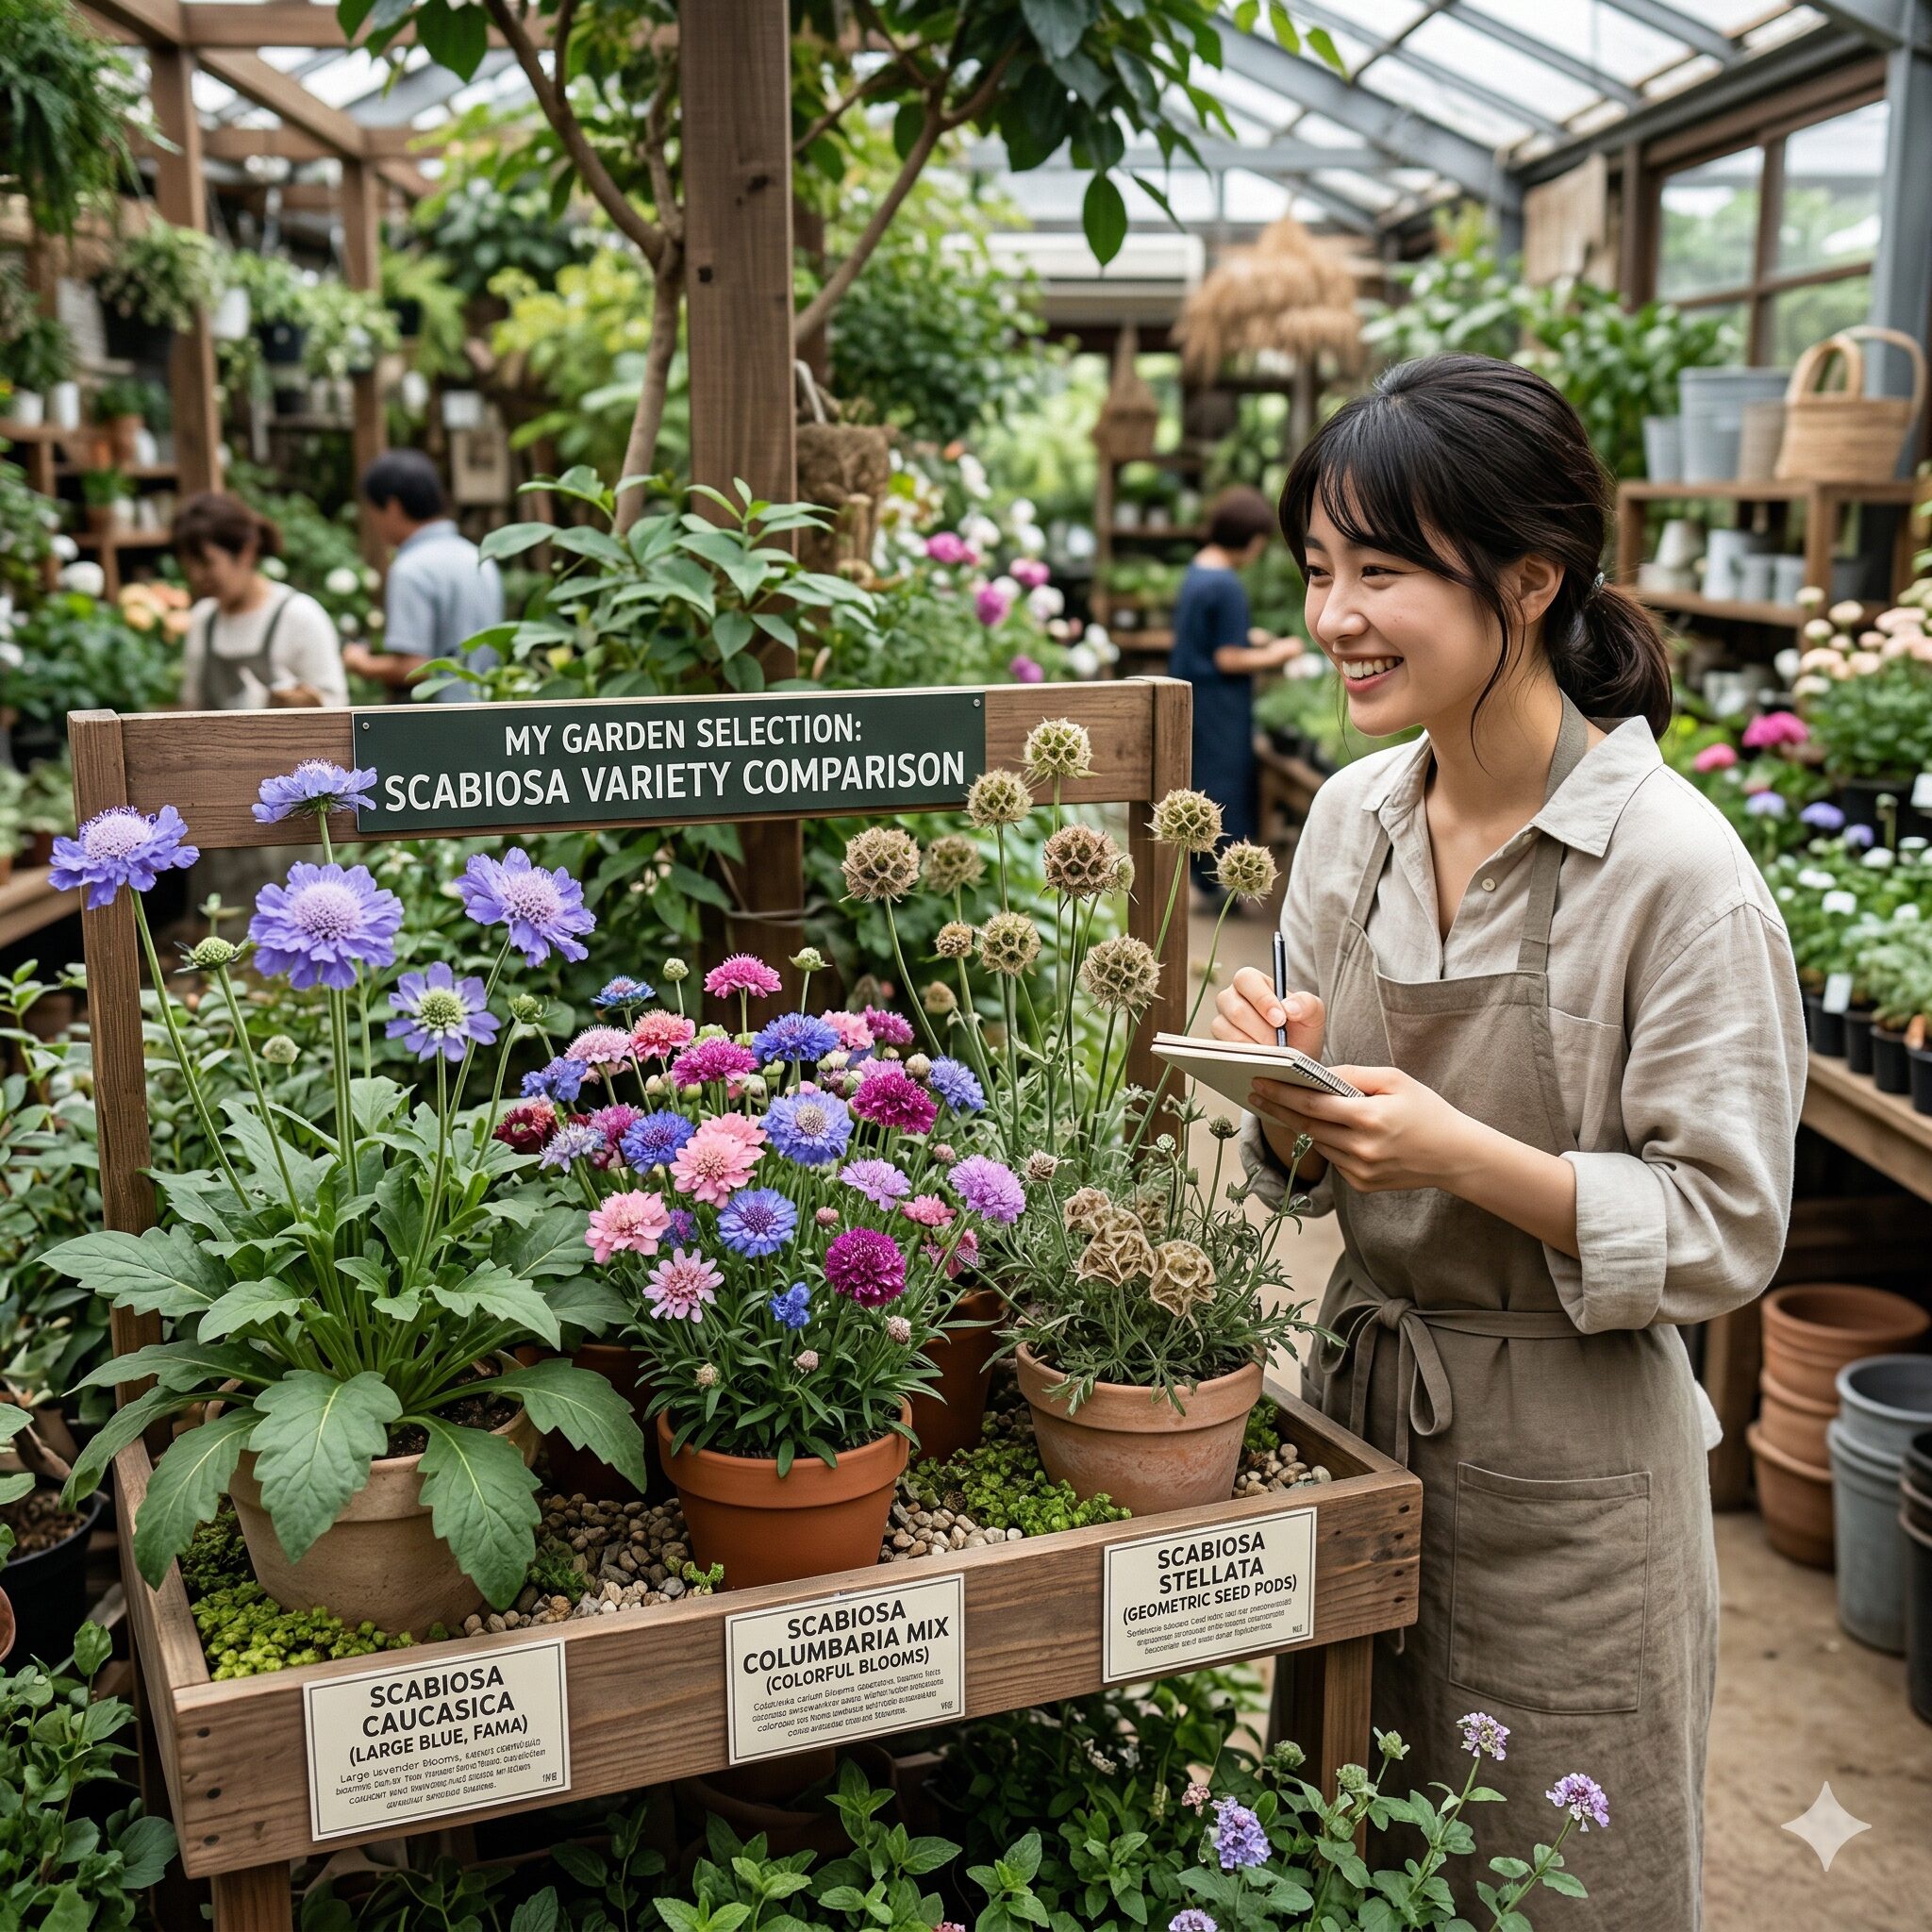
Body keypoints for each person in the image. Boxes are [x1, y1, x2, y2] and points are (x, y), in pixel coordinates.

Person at [1213, 357, 1805, 1930]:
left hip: (1572, 1480)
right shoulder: (1354, 814)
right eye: (1320, 569)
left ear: (1529, 581)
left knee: (1553, 1878)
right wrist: (1287, 1103)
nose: (1333, 613)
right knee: (1348, 1856)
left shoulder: (1675, 873)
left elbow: (1727, 1227)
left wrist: (1463, 1155)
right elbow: (1315, 1156)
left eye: (1382, 570)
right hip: (1365, 1421)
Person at [1166, 486, 1302, 899]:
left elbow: (1206, 640)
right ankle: (1227, 882)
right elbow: (1227, 658)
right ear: (1250, 538)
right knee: (1224, 786)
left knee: (1197, 780)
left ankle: (1198, 877)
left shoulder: (1198, 570)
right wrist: (1279, 652)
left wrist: (1249, 637)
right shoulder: (1226, 585)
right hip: (1221, 705)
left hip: (1194, 699)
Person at [341, 450, 503, 699]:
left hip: (439, 726)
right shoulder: (478, 557)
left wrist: (362, 664)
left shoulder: (411, 569)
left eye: (373, 511)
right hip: (489, 712)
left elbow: (416, 666)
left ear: (392, 507)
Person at [174, 493, 347, 712]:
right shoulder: (203, 619)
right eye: (190, 566)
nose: (197, 576)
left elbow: (336, 708)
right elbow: (191, 708)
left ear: (246, 551)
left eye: (206, 563)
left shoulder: (300, 616)